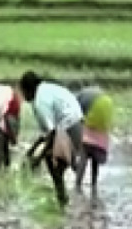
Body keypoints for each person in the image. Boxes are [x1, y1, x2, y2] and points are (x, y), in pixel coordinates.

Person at [19, 71, 84, 207]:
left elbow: (52, 133)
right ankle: (76, 193)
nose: (22, 95)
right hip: (75, 123)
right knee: (62, 163)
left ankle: (63, 201)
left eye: (22, 91)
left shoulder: (40, 101)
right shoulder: (44, 90)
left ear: (28, 89)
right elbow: (47, 134)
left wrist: (38, 158)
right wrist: (32, 150)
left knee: (52, 161)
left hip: (70, 125)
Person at [73, 85, 114, 191]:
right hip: (107, 108)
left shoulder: (76, 100)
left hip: (94, 112)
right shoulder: (94, 94)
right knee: (95, 157)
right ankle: (94, 184)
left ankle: (77, 184)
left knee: (84, 155)